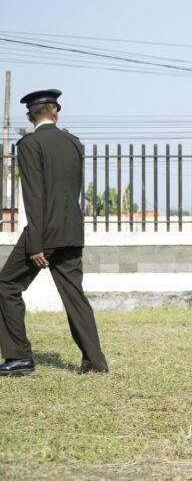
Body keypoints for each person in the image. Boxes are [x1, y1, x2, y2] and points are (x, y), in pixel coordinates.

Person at [0, 89, 108, 377]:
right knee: (75, 295)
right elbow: (73, 190)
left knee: (6, 285)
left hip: (44, 232)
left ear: (29, 116)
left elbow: (34, 196)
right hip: (71, 229)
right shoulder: (74, 143)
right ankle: (95, 361)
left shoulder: (29, 144)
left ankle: (19, 357)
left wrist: (36, 243)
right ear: (55, 113)